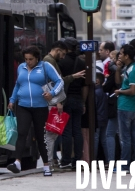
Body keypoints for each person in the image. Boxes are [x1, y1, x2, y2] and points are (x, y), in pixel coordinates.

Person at [8, 46, 63, 177]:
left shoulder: (45, 66)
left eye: (31, 59)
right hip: (23, 105)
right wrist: (12, 99)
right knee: (22, 133)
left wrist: (52, 93)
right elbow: (18, 84)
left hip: (40, 107)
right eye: (26, 59)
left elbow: (59, 81)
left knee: (40, 136)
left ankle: (46, 165)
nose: (28, 62)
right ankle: (17, 162)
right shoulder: (21, 67)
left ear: (37, 58)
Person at [42, 41, 85, 166]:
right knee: (55, 132)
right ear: (57, 50)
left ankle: (57, 160)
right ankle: (51, 161)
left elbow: (57, 81)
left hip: (57, 99)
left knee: (60, 131)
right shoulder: (49, 61)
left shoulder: (50, 61)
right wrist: (58, 101)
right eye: (63, 54)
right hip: (55, 99)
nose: (63, 57)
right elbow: (53, 83)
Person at [57, 37, 87, 170]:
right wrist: (83, 102)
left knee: (66, 131)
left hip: (65, 99)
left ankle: (66, 160)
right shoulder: (81, 63)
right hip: (78, 99)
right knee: (77, 131)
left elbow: (58, 82)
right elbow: (85, 86)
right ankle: (78, 160)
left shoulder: (62, 63)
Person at [114, 44, 135, 168]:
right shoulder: (129, 68)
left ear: (127, 55)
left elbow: (132, 90)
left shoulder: (133, 70)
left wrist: (120, 92)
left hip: (126, 106)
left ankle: (125, 165)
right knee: (134, 136)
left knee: (125, 138)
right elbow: (118, 82)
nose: (119, 56)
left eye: (121, 53)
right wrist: (118, 69)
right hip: (132, 107)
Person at [94, 73, 109, 164]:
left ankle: (93, 159)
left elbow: (94, 106)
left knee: (95, 138)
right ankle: (108, 159)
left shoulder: (96, 92)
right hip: (104, 117)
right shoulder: (104, 92)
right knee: (104, 139)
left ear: (97, 81)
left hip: (98, 118)